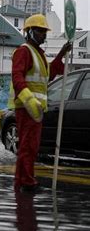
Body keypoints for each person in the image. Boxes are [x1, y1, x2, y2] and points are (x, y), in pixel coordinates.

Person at [11, 14, 72, 193]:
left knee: (30, 146)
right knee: (28, 147)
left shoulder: (39, 54)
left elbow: (49, 76)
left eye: (44, 31)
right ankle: (27, 182)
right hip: (28, 107)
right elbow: (17, 77)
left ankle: (22, 181)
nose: (43, 35)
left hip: (36, 108)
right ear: (29, 32)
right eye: (39, 31)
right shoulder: (24, 51)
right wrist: (29, 100)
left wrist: (61, 54)